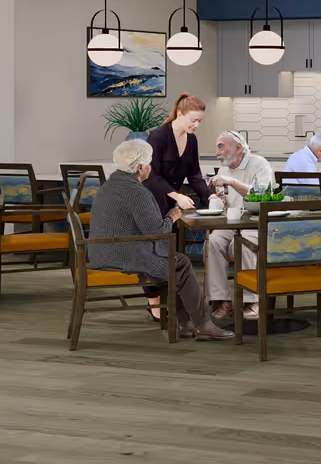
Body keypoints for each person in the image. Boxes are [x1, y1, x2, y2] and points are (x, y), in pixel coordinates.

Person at [88, 139, 229, 340]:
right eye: (149, 164)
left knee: (172, 265)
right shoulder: (136, 191)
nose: (150, 168)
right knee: (179, 262)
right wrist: (172, 216)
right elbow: (156, 231)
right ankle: (203, 324)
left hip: (101, 251)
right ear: (139, 168)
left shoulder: (109, 185)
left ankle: (188, 324)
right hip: (122, 255)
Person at [205, 130, 272, 322]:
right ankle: (223, 301)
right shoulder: (224, 168)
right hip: (233, 221)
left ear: (238, 148)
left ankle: (253, 301)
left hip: (257, 223)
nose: (217, 151)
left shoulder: (259, 164)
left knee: (240, 245)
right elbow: (229, 200)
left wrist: (233, 182)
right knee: (214, 240)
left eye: (221, 146)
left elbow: (261, 196)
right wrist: (220, 198)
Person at [145, 93, 213, 215]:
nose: (197, 125)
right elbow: (152, 176)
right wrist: (177, 196)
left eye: (200, 121)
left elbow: (194, 176)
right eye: (193, 120)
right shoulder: (158, 136)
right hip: (151, 202)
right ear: (180, 114)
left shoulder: (192, 140)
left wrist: (210, 196)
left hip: (172, 203)